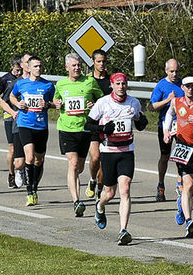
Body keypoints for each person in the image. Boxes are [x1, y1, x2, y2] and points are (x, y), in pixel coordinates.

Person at [89, 72, 148, 245]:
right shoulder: (103, 103)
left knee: (125, 189)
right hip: (108, 151)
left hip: (126, 152)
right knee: (110, 192)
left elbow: (139, 121)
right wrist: (103, 128)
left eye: (124, 84)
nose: (121, 87)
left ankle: (123, 230)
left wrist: (142, 123)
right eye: (118, 84)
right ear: (112, 86)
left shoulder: (134, 103)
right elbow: (89, 124)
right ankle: (100, 206)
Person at [54, 53, 103, 216]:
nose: (77, 68)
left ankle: (77, 185)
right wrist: (57, 103)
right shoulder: (61, 84)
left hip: (85, 129)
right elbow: (56, 100)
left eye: (79, 65)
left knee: (80, 167)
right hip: (67, 128)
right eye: (73, 65)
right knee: (73, 164)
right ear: (67, 67)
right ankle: (76, 201)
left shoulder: (90, 82)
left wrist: (94, 104)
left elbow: (102, 100)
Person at [163, 76, 193, 236]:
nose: (190, 89)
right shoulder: (177, 102)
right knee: (188, 184)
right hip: (183, 147)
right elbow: (169, 115)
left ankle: (182, 205)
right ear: (182, 87)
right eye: (188, 86)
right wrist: (166, 131)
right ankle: (189, 221)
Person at [9, 56, 55, 206]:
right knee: (29, 157)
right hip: (25, 124)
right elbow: (11, 96)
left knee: (39, 159)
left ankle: (35, 186)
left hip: (41, 126)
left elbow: (56, 103)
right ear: (28, 68)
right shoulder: (21, 84)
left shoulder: (48, 85)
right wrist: (18, 103)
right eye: (35, 66)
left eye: (40, 66)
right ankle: (30, 191)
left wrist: (47, 104)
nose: (38, 69)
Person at [148, 59, 184, 202]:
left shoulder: (183, 84)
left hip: (181, 126)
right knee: (165, 156)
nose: (174, 74)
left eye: (176, 71)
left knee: (181, 156)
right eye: (171, 71)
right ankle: (161, 184)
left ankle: (180, 184)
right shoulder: (161, 85)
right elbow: (151, 107)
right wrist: (168, 100)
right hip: (165, 126)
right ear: (166, 71)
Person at [0, 55, 27, 188]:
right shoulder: (5, 79)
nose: (19, 73)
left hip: (23, 115)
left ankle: (22, 171)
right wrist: (2, 101)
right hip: (9, 116)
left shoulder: (26, 79)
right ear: (13, 67)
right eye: (17, 70)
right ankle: (11, 174)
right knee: (12, 147)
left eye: (20, 70)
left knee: (25, 147)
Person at [87, 49, 113, 198]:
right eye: (99, 61)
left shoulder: (111, 81)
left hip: (109, 126)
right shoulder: (88, 80)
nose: (102, 64)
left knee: (104, 162)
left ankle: (100, 187)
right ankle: (92, 179)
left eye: (104, 61)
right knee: (95, 158)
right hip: (94, 124)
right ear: (93, 62)